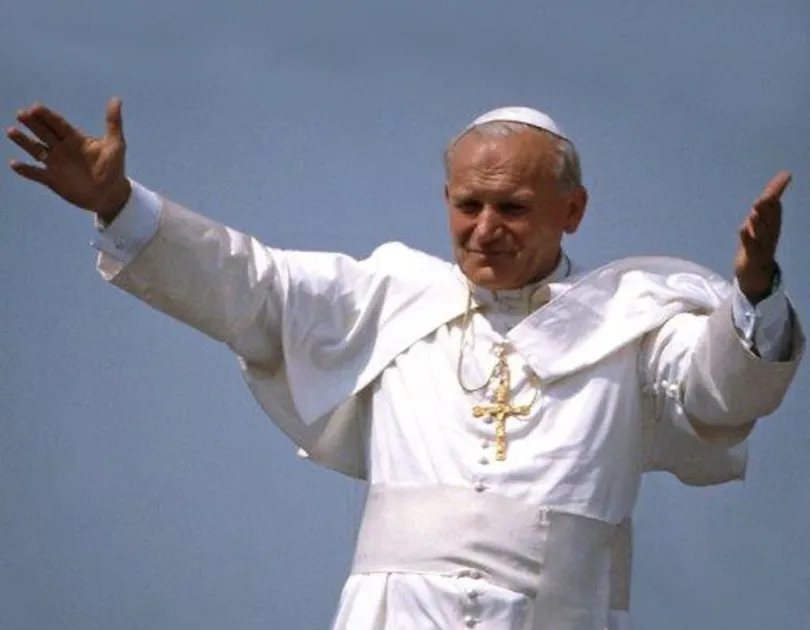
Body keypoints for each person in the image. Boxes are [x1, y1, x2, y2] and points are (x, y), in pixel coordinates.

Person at [7, 99, 804, 630]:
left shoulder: (633, 318)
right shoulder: (386, 297)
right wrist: (118, 205)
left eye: (513, 208)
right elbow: (247, 281)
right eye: (467, 205)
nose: (484, 229)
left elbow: (719, 392)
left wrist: (754, 294)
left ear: (573, 210)